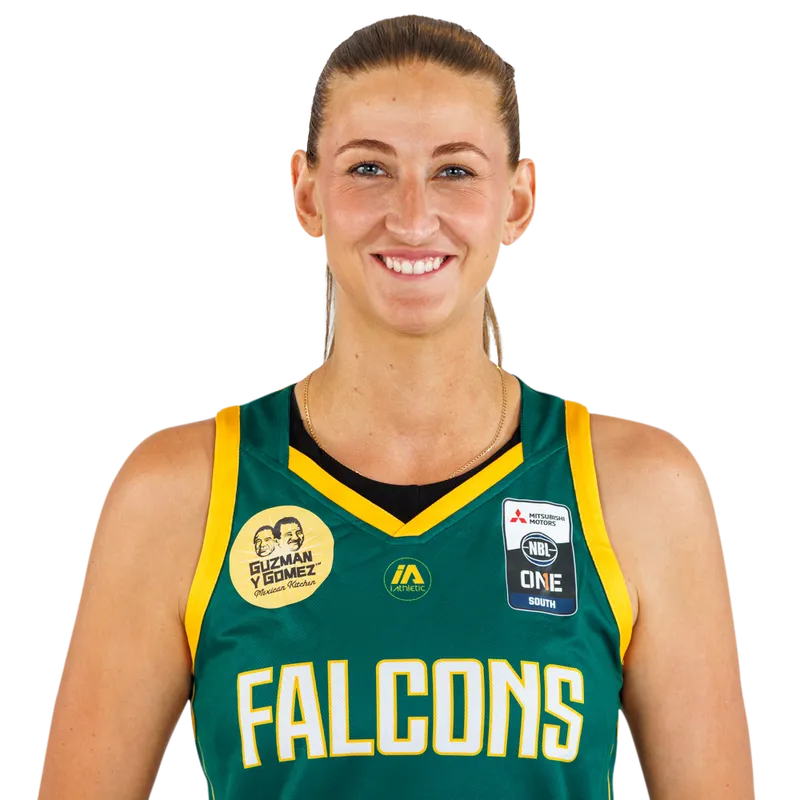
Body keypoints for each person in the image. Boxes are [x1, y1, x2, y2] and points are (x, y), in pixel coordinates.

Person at [38, 13, 754, 799]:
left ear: (519, 200)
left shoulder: (642, 491)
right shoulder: (181, 494)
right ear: (306, 192)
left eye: (455, 171)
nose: (412, 217)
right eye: (370, 168)